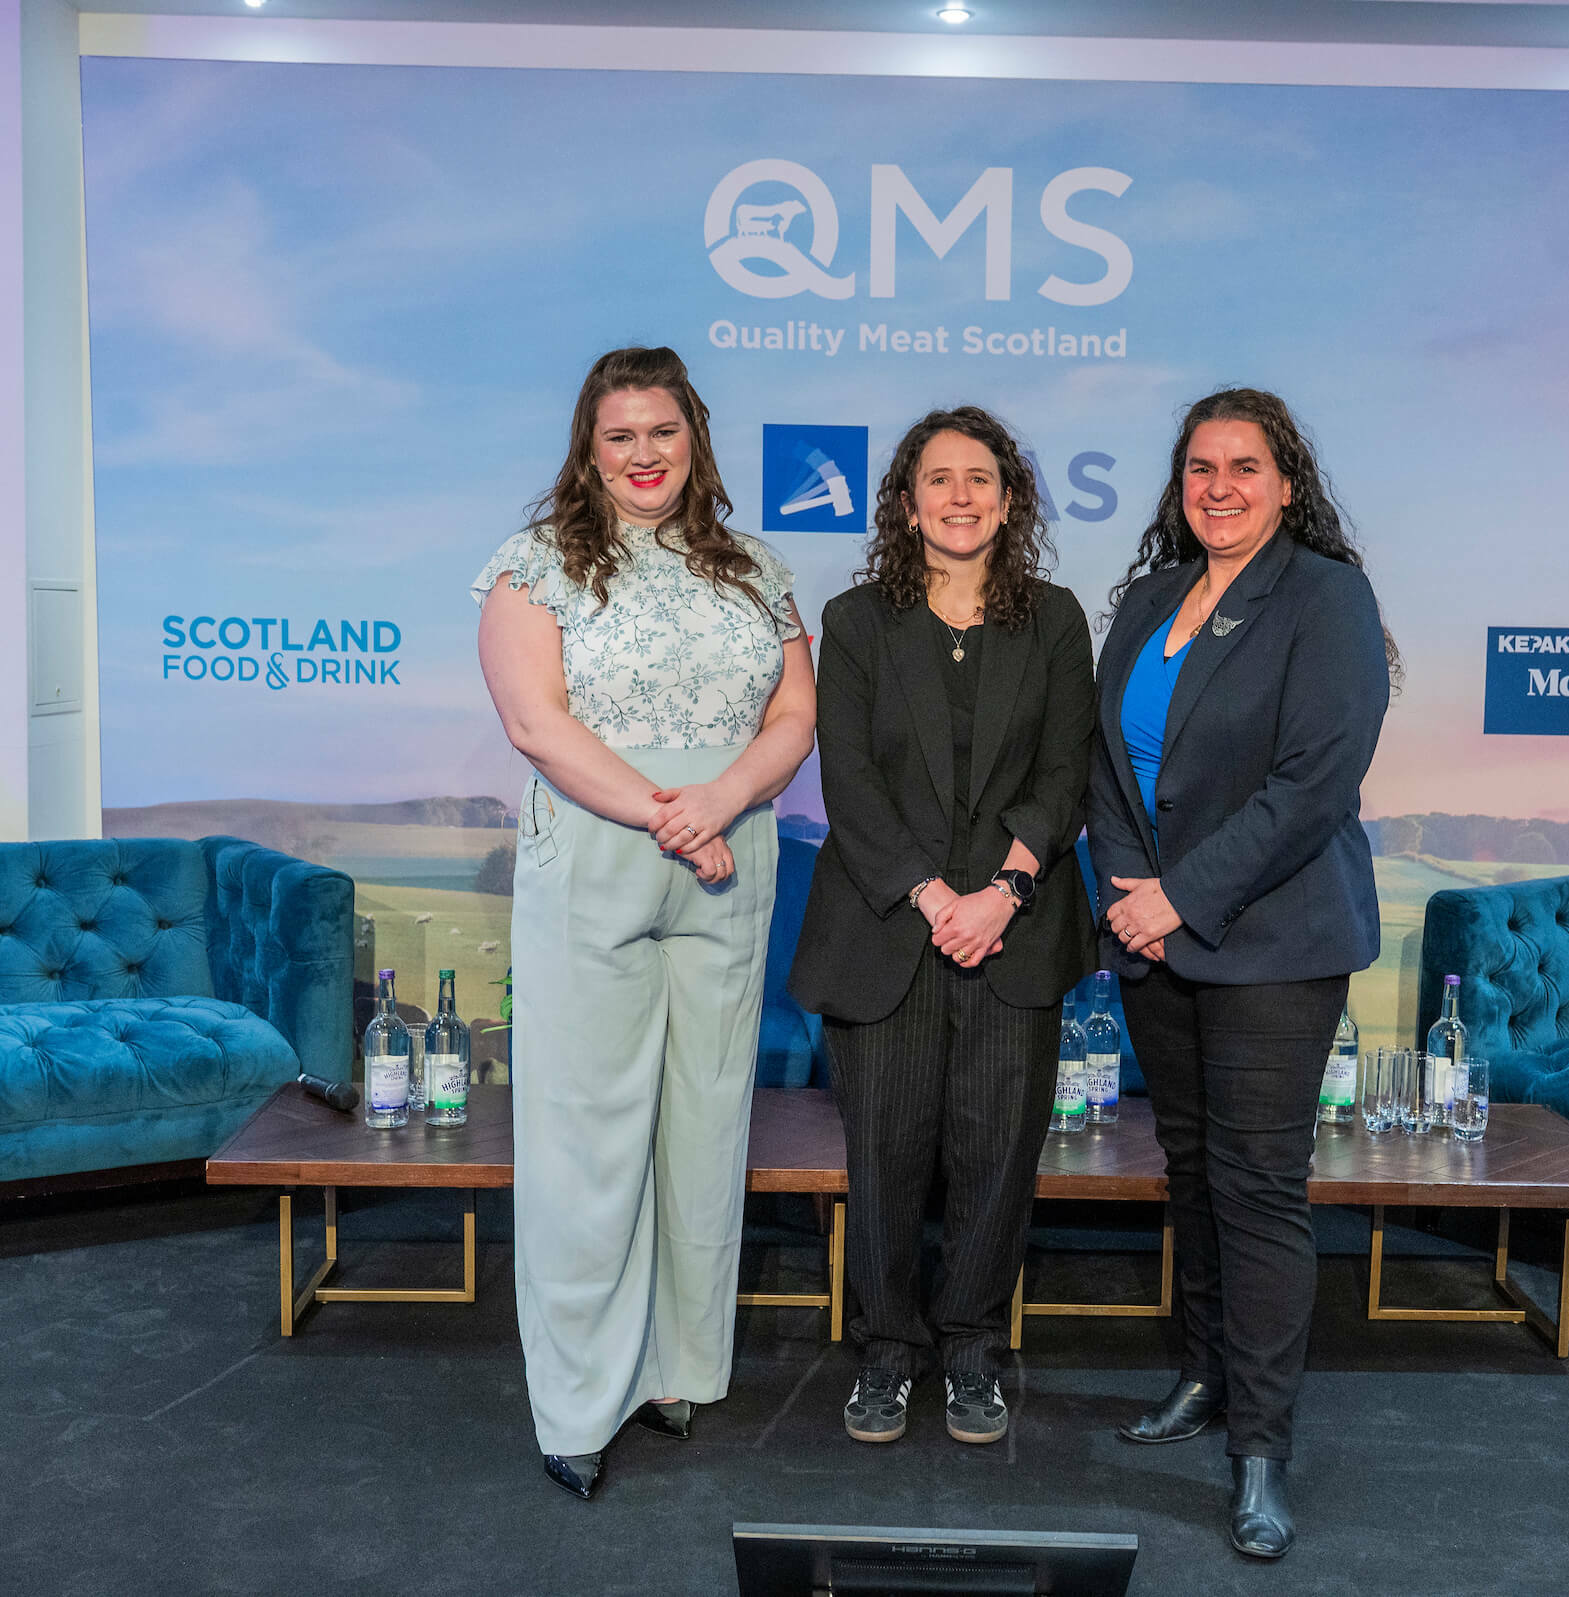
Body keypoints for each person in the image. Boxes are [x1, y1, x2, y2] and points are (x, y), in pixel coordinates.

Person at [473, 346, 817, 1501]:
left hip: (730, 850)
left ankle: (672, 1369)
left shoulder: (756, 567)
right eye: (619, 436)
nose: (644, 454)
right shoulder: (533, 564)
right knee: (587, 1136)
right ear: (589, 447)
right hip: (603, 846)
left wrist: (721, 801)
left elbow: (795, 712)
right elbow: (536, 722)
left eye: (662, 430)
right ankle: (579, 1399)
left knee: (704, 1126)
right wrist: (672, 815)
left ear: (694, 436)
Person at [1085, 387, 1395, 1559]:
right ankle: (1206, 1377)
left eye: (1244, 467)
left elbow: (1313, 783)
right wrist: (1129, 889)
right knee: (1193, 1173)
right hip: (1155, 940)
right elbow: (1104, 764)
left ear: (1287, 483)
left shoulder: (1326, 597)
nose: (1220, 488)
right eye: (1201, 468)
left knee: (1259, 1187)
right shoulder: (1151, 598)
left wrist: (1178, 896)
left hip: (1273, 940)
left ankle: (1262, 1449)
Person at [789, 406, 1097, 1449]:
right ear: (907, 503)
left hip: (1016, 930)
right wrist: (931, 896)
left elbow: (1066, 770)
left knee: (998, 1158)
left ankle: (971, 1348)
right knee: (883, 1158)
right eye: (938, 479)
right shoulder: (856, 620)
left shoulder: (1054, 619)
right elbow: (849, 780)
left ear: (1009, 502)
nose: (960, 496)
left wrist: (1003, 890)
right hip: (888, 930)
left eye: (980, 479)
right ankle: (885, 1351)